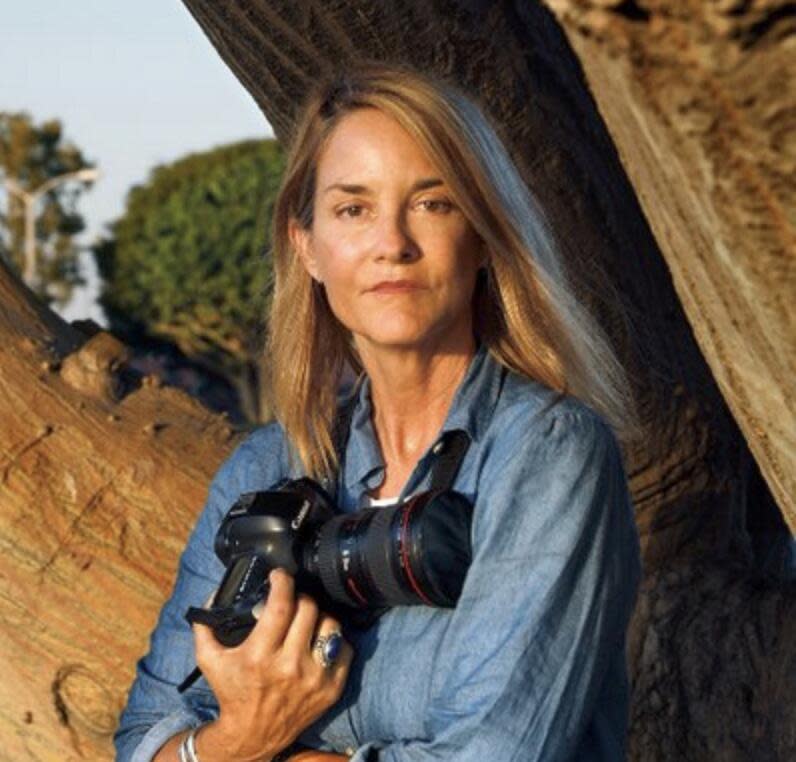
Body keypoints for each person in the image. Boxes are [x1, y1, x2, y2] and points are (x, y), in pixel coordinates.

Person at [115, 63, 642, 762]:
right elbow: (141, 737)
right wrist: (243, 737)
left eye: (432, 202)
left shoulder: (548, 454)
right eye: (353, 208)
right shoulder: (270, 466)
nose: (392, 243)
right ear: (307, 247)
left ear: (483, 237)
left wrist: (247, 751)